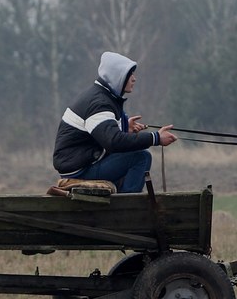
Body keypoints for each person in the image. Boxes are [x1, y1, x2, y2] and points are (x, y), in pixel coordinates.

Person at [52, 51, 178, 194]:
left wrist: (125, 128)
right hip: (80, 172)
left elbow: (104, 134)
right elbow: (113, 142)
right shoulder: (99, 103)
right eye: (129, 74)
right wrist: (155, 138)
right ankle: (128, 206)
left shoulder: (103, 96)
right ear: (117, 76)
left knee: (136, 155)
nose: (134, 79)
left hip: (83, 164)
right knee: (141, 157)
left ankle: (126, 198)